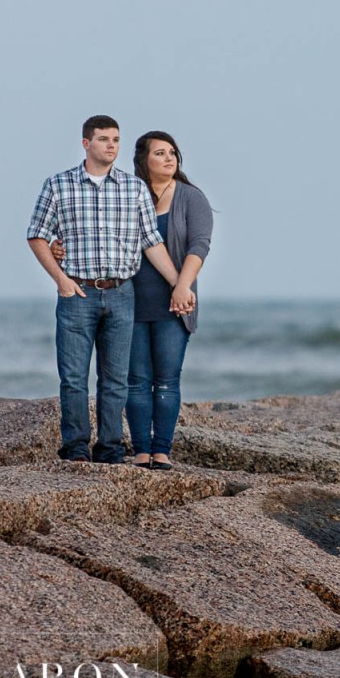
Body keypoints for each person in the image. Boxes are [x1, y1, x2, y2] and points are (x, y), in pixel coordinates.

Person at [27, 115, 192, 464]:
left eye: (116, 139)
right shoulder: (59, 185)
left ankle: (111, 449)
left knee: (115, 378)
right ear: (86, 143)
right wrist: (61, 280)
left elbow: (152, 242)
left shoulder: (133, 189)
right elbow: (37, 234)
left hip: (121, 293)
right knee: (73, 378)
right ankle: (75, 448)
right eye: (104, 139)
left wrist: (181, 284)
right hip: (78, 294)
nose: (112, 145)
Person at [127, 131, 213, 470]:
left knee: (166, 378)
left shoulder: (191, 198)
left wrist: (182, 286)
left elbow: (199, 246)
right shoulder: (129, 195)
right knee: (136, 380)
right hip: (130, 302)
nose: (169, 158)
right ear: (144, 160)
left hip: (175, 303)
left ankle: (161, 451)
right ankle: (140, 451)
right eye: (160, 153)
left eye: (172, 152)